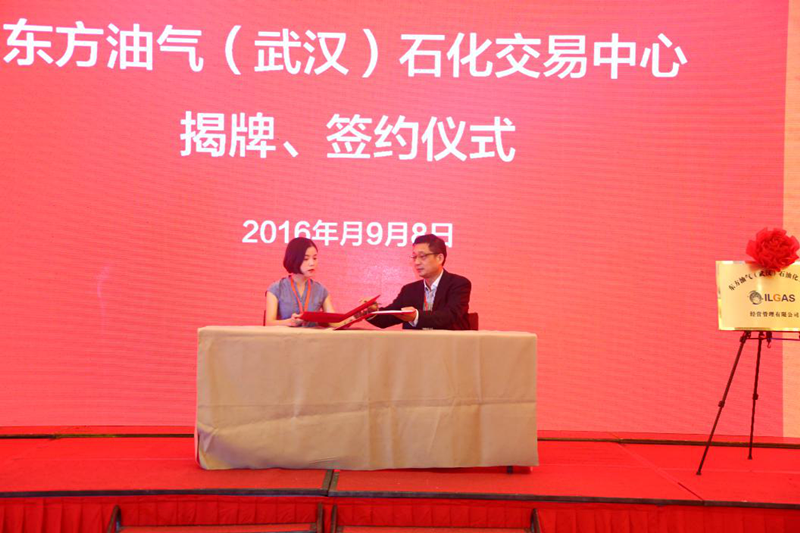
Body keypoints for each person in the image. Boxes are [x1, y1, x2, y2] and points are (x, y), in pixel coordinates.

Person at [365, 234, 472, 330]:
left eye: (422, 256)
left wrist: (416, 316)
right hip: (416, 345)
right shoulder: (409, 290)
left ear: (439, 258)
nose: (416, 262)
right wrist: (371, 312)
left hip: (449, 344)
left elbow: (450, 316)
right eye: (414, 257)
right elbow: (387, 319)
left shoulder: (459, 284)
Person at [265, 237, 337, 327]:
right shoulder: (276, 288)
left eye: (315, 258)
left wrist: (351, 318)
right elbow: (269, 323)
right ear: (294, 259)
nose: (312, 263)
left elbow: (334, 321)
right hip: (286, 336)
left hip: (313, 336)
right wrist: (289, 322)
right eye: (306, 259)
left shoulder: (321, 290)